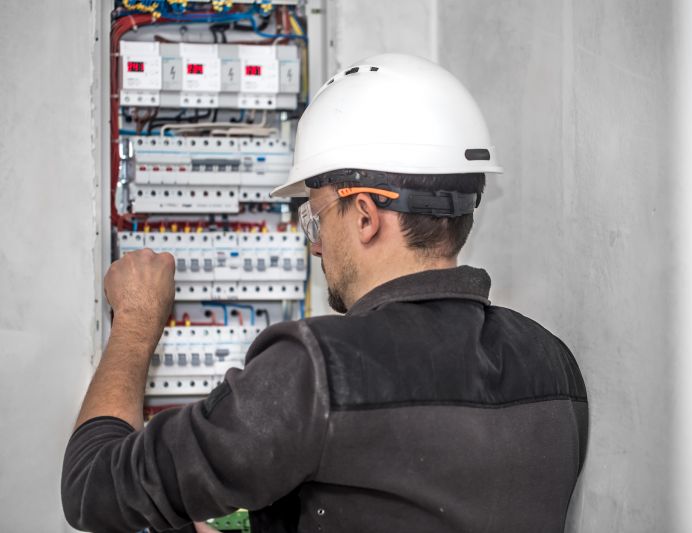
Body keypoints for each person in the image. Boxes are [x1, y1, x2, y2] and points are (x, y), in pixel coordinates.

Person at [62, 54, 588, 533]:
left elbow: (91, 487)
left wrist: (134, 322)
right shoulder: (552, 364)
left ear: (363, 215)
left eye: (314, 219)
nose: (315, 248)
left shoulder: (316, 370)